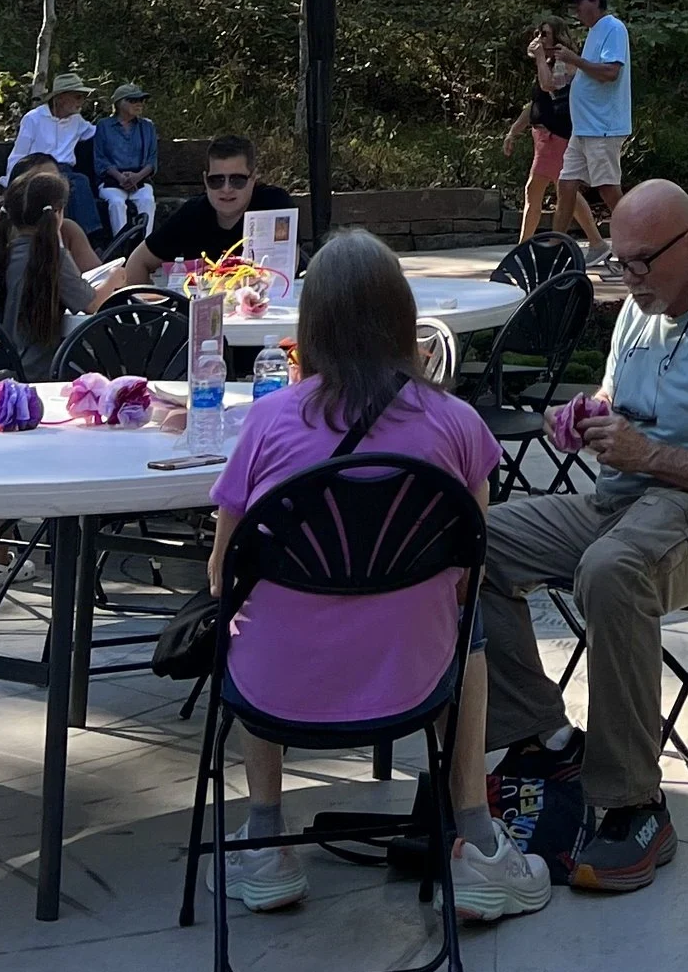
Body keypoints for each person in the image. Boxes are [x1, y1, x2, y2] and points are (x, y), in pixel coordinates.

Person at [201, 227, 548, 925]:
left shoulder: (266, 424)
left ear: (311, 327)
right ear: (401, 318)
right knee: (468, 617)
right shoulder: (457, 426)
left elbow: (220, 571)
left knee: (245, 611)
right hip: (412, 672)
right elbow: (465, 568)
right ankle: (476, 838)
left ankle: (266, 837)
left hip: (279, 679)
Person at [481, 179, 688, 896]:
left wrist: (649, 454)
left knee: (611, 568)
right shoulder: (638, 307)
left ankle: (634, 801)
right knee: (470, 539)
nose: (628, 279)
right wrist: (586, 416)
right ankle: (544, 736)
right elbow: (616, 399)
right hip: (621, 498)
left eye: (642, 262)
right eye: (619, 263)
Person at [97, 130, 297, 293]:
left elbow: (289, 265)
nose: (226, 189)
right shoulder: (193, 213)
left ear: (253, 178)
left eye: (237, 180)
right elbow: (138, 261)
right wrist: (149, 318)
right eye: (216, 180)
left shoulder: (273, 203)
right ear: (205, 180)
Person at [0, 164, 94, 371]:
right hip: (43, 371)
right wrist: (115, 277)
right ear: (57, 213)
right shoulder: (54, 256)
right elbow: (90, 304)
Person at [556, 0, 630, 238]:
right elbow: (589, 74)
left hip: (603, 127)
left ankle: (643, 241)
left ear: (596, 2)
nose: (577, 10)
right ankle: (556, 247)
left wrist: (574, 59)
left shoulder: (613, 28)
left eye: (580, 3)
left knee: (608, 188)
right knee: (566, 184)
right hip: (584, 127)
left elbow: (610, 72)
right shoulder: (594, 32)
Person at [502, 21, 578, 248]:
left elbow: (548, 86)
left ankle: (523, 246)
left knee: (539, 189)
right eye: (537, 33)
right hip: (543, 137)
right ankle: (596, 242)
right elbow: (535, 103)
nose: (540, 38)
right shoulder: (547, 62)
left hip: (556, 135)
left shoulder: (564, 62)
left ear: (557, 37)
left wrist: (537, 58)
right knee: (565, 189)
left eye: (545, 34)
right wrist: (513, 132)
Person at [3, 70, 104, 240]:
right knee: (77, 183)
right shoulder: (34, 119)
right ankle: (87, 238)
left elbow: (96, 133)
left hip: (65, 171)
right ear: (60, 98)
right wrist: (10, 186)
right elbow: (18, 154)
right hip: (38, 170)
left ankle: (86, 238)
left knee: (75, 182)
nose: (82, 102)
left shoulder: (77, 120)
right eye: (77, 97)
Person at [7, 152, 104, 277]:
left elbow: (97, 276)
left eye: (56, 181)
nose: (53, 189)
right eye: (43, 183)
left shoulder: (68, 230)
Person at [92, 83, 160, 243]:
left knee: (147, 201)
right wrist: (120, 177)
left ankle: (144, 248)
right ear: (120, 103)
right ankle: (121, 246)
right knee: (116, 203)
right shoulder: (104, 126)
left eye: (141, 100)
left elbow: (152, 159)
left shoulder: (147, 126)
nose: (139, 104)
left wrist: (137, 176)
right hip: (112, 179)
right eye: (133, 100)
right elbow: (100, 159)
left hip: (140, 179)